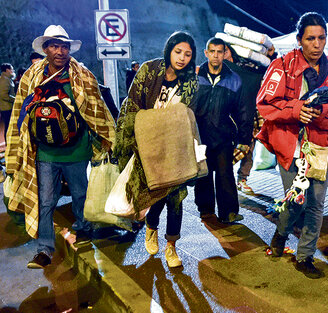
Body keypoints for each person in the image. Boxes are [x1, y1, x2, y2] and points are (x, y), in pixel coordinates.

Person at [5, 25, 115, 269]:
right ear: (45, 49)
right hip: (45, 152)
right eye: (54, 46)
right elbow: (20, 114)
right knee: (45, 200)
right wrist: (17, 150)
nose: (60, 51)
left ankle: (83, 227)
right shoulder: (32, 76)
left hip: (77, 151)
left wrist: (109, 139)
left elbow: (96, 110)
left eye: (64, 46)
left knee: (80, 194)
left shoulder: (83, 75)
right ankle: (44, 250)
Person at [256, 12, 328, 278]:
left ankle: (305, 256)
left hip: (324, 147)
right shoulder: (282, 65)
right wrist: (296, 109)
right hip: (291, 146)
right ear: (299, 40)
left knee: (316, 205)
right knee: (295, 201)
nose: (317, 44)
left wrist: (321, 112)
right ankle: (281, 234)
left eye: (322, 38)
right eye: (310, 38)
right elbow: (264, 104)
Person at [114, 31, 198, 267]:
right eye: (178, 52)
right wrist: (128, 141)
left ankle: (171, 246)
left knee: (176, 198)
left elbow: (186, 114)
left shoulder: (190, 80)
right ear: (169, 50)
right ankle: (151, 228)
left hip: (174, 145)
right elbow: (132, 104)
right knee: (155, 193)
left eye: (188, 54)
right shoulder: (149, 70)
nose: (182, 58)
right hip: (147, 144)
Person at [190, 37, 251, 223]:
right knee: (203, 174)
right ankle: (205, 209)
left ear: (225, 54)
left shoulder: (234, 79)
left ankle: (229, 212)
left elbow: (243, 111)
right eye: (212, 51)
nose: (216, 56)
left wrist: (244, 139)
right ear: (206, 53)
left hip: (224, 135)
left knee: (225, 174)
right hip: (200, 136)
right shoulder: (195, 77)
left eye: (220, 52)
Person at [223, 43, 266, 194]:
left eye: (225, 50)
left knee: (248, 147)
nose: (221, 53)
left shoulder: (246, 67)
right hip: (229, 117)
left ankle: (242, 179)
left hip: (248, 114)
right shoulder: (218, 71)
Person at [0, 63, 15, 144]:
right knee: (9, 126)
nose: (13, 71)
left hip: (6, 106)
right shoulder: (4, 80)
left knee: (8, 125)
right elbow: (3, 95)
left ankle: (8, 142)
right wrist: (14, 100)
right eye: (11, 69)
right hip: (6, 107)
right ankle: (8, 143)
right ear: (7, 70)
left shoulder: (6, 78)